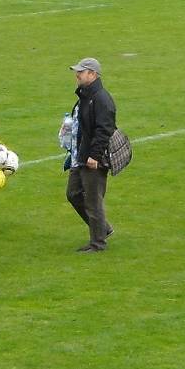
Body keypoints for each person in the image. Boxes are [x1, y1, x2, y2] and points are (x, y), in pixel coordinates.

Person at [65, 57, 116, 253]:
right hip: (80, 155)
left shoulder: (101, 99)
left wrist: (94, 156)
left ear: (93, 74)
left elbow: (104, 130)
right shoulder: (85, 96)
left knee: (93, 201)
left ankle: (97, 243)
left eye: (81, 71)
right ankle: (102, 229)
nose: (77, 75)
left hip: (92, 158)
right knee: (73, 194)